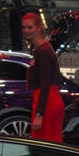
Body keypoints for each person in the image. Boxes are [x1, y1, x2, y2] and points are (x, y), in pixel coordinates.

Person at [21, 13, 63, 142]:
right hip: (47, 101)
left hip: (47, 103)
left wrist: (39, 115)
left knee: (45, 146)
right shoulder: (42, 49)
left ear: (39, 27)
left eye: (30, 27)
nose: (26, 31)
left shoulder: (43, 51)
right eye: (24, 27)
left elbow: (45, 85)